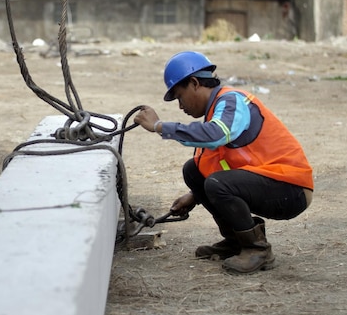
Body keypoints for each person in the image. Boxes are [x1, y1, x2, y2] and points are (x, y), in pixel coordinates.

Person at [134, 51, 313, 274]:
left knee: (217, 182)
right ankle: (237, 241)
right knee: (193, 170)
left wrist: (160, 126)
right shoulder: (216, 111)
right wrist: (195, 195)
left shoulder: (231, 100)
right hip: (272, 183)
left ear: (195, 83)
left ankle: (257, 249)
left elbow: (216, 135)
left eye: (180, 97)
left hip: (292, 189)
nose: (180, 106)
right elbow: (214, 162)